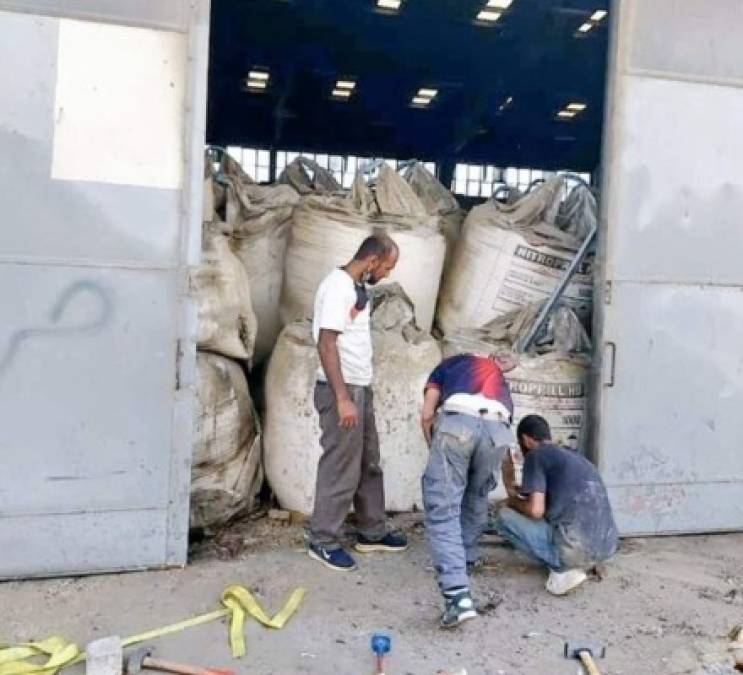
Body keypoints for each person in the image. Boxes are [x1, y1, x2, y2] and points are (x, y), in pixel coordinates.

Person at [307, 233, 408, 572]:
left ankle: (372, 532)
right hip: (342, 390)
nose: (388, 274)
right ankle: (322, 540)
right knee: (341, 466)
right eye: (388, 267)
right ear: (372, 261)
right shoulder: (337, 287)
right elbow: (326, 345)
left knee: (369, 461)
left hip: (359, 386)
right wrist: (342, 399)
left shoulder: (353, 287)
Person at [420, 352, 516, 628]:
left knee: (443, 509)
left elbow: (427, 414)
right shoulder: (495, 374)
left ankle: (457, 597)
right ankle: (467, 560)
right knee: (477, 496)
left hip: (457, 424)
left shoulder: (444, 367)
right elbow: (507, 426)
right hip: (498, 429)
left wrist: (433, 446)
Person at [492, 414, 619, 595]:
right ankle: (587, 564)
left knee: (503, 515)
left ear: (526, 440)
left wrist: (512, 501)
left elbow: (536, 511)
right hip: (607, 547)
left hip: (575, 550)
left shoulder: (536, 456)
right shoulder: (576, 457)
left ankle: (563, 570)